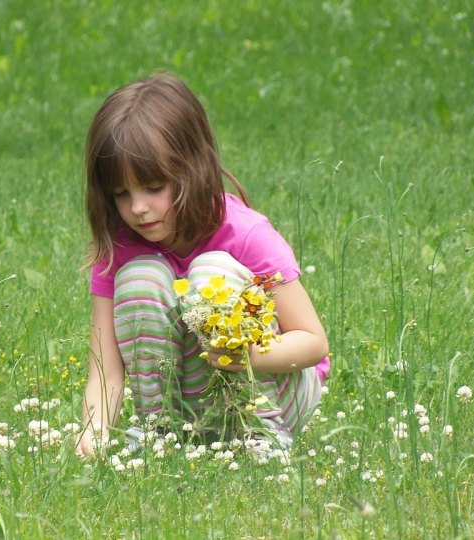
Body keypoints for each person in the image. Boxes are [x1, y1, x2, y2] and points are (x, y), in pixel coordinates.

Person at [78, 72, 329, 457]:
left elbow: (313, 343)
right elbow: (106, 368)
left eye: (154, 188)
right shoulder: (120, 248)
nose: (138, 208)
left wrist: (243, 355)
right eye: (121, 194)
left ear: (191, 169)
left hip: (277, 391)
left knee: (211, 272)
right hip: (197, 405)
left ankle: (260, 435)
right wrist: (92, 437)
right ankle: (159, 431)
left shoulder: (245, 233)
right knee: (140, 278)